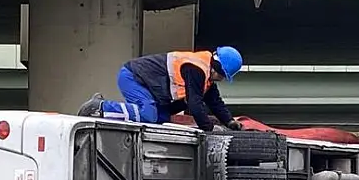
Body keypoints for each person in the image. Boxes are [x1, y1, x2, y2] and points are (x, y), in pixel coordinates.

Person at [76, 47, 245, 133]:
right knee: (148, 114)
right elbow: (195, 104)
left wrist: (229, 121)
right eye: (223, 75)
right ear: (218, 69)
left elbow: (214, 102)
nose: (222, 79)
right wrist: (209, 129)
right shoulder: (196, 69)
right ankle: (99, 108)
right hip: (133, 77)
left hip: (145, 85)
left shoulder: (206, 76)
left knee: (160, 118)